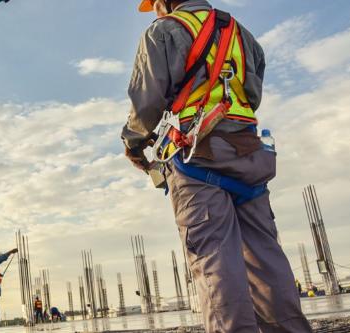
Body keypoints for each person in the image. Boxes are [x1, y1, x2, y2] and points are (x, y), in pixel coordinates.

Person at [122, 1, 311, 332]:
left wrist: (134, 142)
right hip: (249, 155)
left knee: (215, 265)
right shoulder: (242, 34)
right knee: (267, 260)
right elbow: (252, 94)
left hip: (197, 158)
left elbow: (147, 100)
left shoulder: (163, 31)